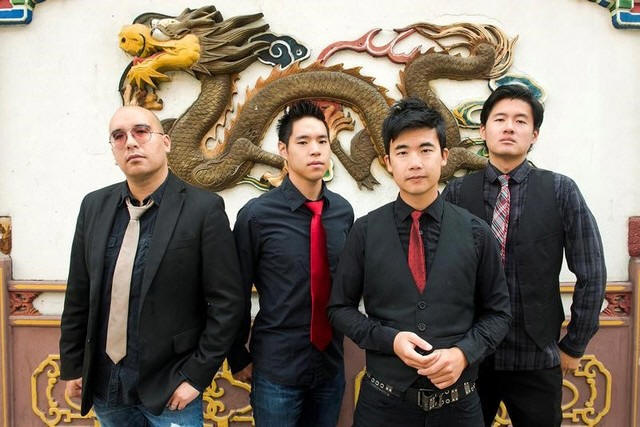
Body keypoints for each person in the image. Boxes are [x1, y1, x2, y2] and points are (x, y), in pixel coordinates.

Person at [328, 97, 511, 427]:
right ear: (388, 162)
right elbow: (339, 309)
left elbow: (499, 313)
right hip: (382, 406)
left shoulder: (476, 232)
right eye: (403, 152)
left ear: (444, 156)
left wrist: (463, 353)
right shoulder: (365, 231)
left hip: (458, 407)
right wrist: (390, 340)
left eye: (426, 150)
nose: (415, 163)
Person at [59, 106, 244, 426]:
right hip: (106, 385)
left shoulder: (203, 209)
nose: (130, 142)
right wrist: (74, 365)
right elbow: (79, 292)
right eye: (119, 136)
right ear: (113, 150)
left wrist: (196, 377)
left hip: (171, 385)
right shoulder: (94, 206)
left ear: (166, 142)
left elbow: (227, 303)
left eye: (141, 132)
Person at [442, 84, 607, 427]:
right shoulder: (457, 192)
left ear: (534, 135)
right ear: (483, 130)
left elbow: (591, 271)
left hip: (536, 356)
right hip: (470, 354)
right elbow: (439, 271)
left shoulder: (561, 190)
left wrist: (574, 344)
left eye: (520, 121)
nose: (509, 127)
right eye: (499, 119)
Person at [226, 100, 354, 427]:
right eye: (303, 141)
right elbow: (235, 290)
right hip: (277, 369)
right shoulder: (257, 216)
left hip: (330, 366)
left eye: (322, 141)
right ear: (283, 149)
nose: (315, 150)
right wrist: (237, 354)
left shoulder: (342, 212)